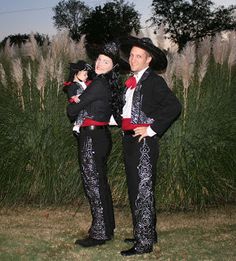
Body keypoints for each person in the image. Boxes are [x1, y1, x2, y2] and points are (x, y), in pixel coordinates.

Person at [119, 36, 182, 256]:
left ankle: (144, 243)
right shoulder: (131, 81)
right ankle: (145, 232)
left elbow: (174, 106)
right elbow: (125, 114)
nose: (133, 59)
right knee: (136, 188)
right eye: (131, 55)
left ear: (148, 60)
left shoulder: (153, 81)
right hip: (129, 140)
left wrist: (151, 129)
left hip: (143, 142)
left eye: (139, 56)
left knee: (142, 190)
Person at [66, 42, 121, 248]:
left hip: (91, 139)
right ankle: (107, 227)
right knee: (101, 184)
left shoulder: (98, 84)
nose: (99, 63)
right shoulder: (106, 84)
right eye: (98, 59)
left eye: (105, 61)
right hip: (101, 137)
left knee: (93, 186)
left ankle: (99, 234)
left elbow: (72, 112)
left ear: (113, 66)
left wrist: (75, 98)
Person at [63, 60, 92, 135]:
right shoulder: (73, 85)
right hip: (79, 102)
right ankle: (77, 126)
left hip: (86, 102)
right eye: (85, 74)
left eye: (87, 74)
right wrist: (74, 97)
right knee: (82, 112)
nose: (87, 76)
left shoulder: (86, 83)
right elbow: (70, 92)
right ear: (76, 74)